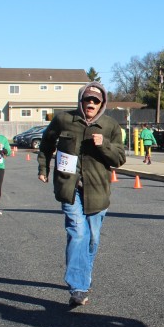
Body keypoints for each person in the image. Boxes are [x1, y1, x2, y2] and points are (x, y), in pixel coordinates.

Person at [38, 82, 126, 308]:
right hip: (69, 187)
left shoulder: (110, 126)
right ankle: (77, 287)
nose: (91, 104)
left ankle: (83, 278)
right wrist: (43, 168)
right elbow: (46, 143)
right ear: (81, 100)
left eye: (96, 101)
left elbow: (119, 159)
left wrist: (104, 144)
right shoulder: (64, 119)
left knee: (92, 238)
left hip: (97, 190)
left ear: (102, 104)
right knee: (78, 233)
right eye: (88, 99)